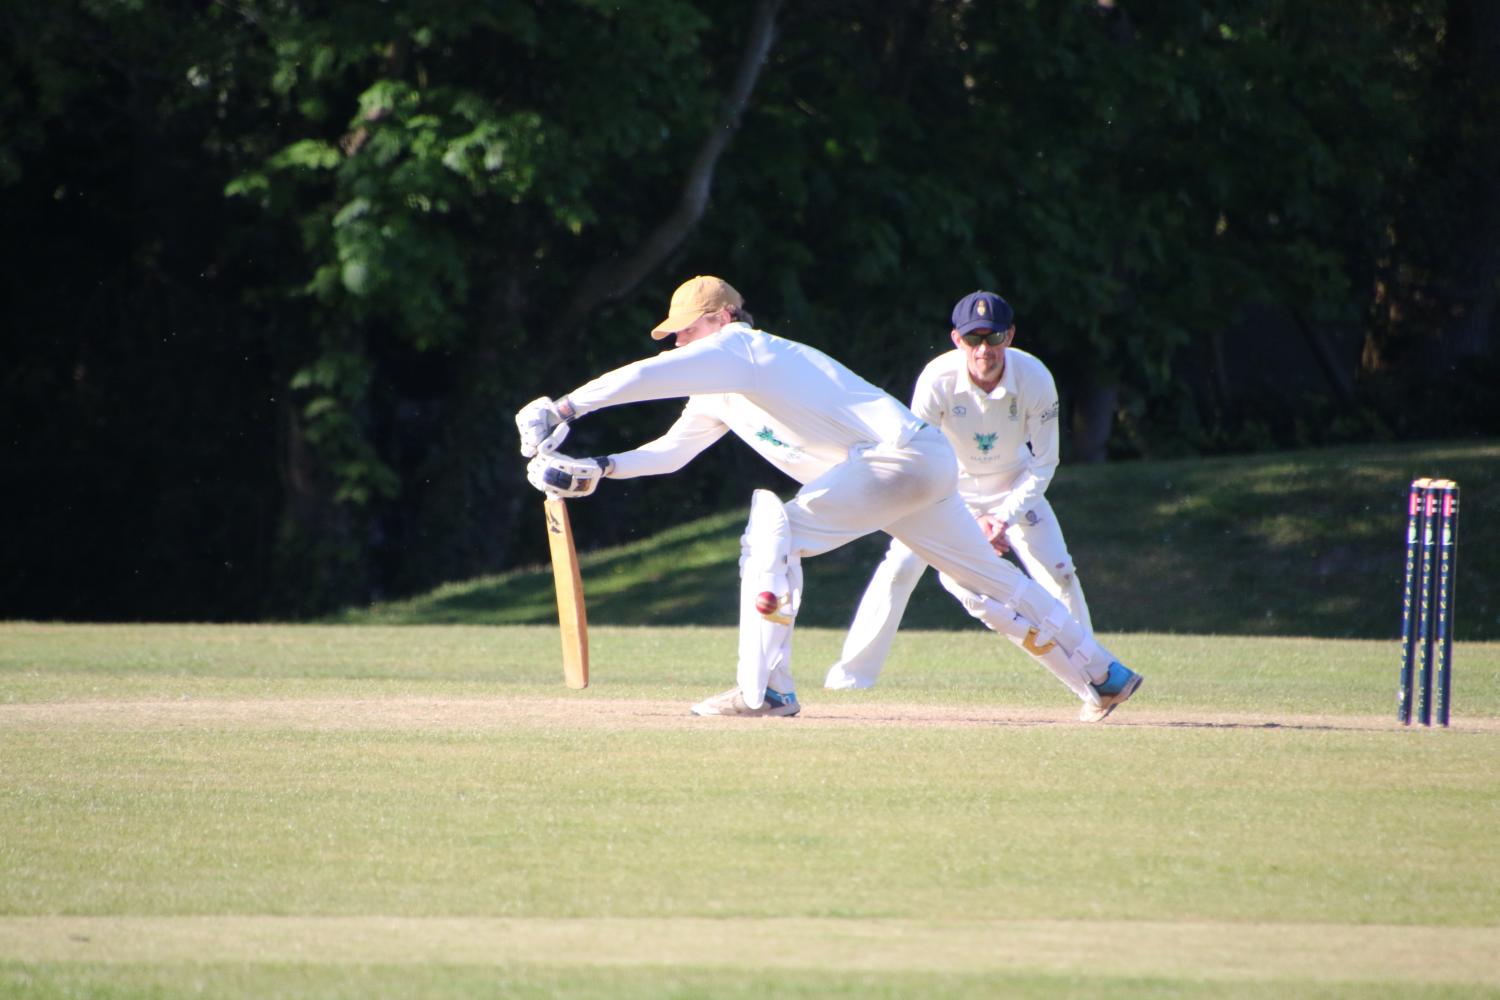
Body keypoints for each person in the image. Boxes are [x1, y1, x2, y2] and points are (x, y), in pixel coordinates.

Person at [514, 276, 1142, 720]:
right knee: (990, 587)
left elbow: (644, 378)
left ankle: (765, 693)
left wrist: (563, 406)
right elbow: (671, 453)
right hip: (915, 469)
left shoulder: (746, 349)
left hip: (897, 459)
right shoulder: (717, 389)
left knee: (771, 533)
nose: (679, 344)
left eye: (686, 331)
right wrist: (596, 468)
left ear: (722, 318)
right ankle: (1102, 674)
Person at [826, 290, 1103, 719]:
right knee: (899, 567)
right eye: (973, 340)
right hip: (941, 487)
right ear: (957, 340)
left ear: (1009, 336)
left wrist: (1001, 517)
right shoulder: (937, 380)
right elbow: (917, 456)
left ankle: (1096, 683)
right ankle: (850, 678)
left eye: (993, 338)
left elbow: (1046, 462)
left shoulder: (1034, 379)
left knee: (1060, 575)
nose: (983, 351)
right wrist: (971, 517)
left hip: (1014, 484)